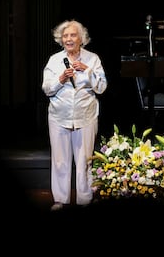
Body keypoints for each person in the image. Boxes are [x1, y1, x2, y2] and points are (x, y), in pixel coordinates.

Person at [41, 20, 108, 211]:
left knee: (85, 159)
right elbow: (46, 89)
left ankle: (84, 199)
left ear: (81, 38)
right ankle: (60, 200)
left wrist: (87, 71)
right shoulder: (54, 60)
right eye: (65, 36)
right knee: (60, 160)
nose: (69, 39)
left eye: (73, 35)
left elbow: (102, 87)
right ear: (61, 39)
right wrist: (60, 79)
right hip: (59, 116)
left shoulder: (92, 59)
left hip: (85, 115)